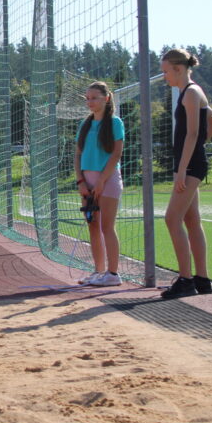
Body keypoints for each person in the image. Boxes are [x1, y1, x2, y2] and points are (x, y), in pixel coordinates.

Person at [160, 49, 212, 299]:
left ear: (178, 68)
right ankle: (202, 279)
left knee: (171, 219)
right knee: (191, 220)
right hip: (190, 163)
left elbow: (194, 133)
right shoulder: (190, 93)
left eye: (166, 72)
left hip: (191, 166)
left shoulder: (192, 92)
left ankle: (185, 279)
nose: (164, 77)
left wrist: (182, 169)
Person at [72, 82, 125, 287]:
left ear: (106, 98)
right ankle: (98, 271)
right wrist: (81, 182)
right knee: (92, 225)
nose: (90, 102)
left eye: (94, 98)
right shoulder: (84, 125)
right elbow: (78, 154)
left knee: (107, 226)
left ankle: (112, 273)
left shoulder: (114, 123)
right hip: (87, 180)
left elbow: (116, 153)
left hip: (108, 179)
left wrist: (102, 180)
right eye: (87, 98)